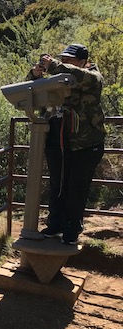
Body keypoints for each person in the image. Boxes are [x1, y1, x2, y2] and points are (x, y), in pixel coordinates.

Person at [26, 43, 106, 245]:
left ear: (83, 62)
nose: (65, 62)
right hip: (58, 141)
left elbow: (76, 75)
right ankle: (55, 225)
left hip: (85, 145)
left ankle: (72, 230)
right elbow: (31, 93)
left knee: (76, 187)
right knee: (57, 185)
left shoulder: (92, 77)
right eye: (63, 59)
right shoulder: (60, 76)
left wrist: (52, 64)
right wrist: (36, 75)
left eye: (69, 59)